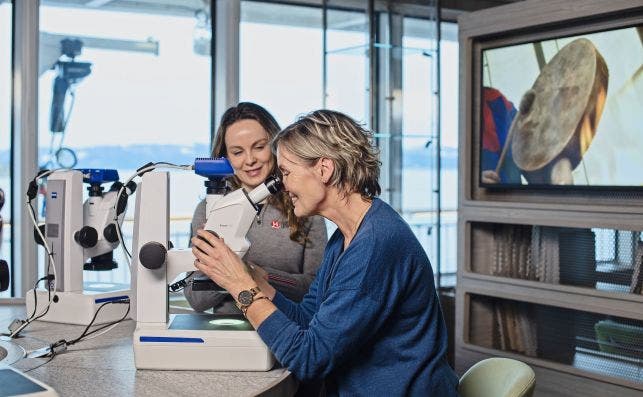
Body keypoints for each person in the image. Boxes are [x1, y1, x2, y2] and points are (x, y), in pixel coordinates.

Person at [192, 110, 459, 396]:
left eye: (286, 172)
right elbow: (308, 317)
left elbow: (310, 359)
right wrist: (258, 282)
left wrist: (240, 286)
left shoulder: (374, 246)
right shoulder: (347, 235)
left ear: (323, 169)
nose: (281, 184)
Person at [184, 102, 327, 312]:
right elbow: (196, 300)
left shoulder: (306, 208)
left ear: (276, 146)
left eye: (259, 147)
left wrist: (256, 274)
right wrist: (223, 264)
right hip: (227, 334)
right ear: (225, 157)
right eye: (237, 152)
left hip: (287, 330)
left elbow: (317, 290)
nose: (250, 160)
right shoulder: (208, 210)